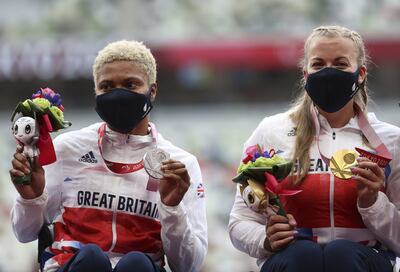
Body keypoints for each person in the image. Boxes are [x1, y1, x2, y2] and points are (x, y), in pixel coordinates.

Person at [10, 40, 207, 272]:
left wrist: (172, 208)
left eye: (130, 84)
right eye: (107, 87)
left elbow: (188, 266)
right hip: (75, 265)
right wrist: (30, 199)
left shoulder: (180, 165)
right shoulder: (67, 148)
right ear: (96, 92)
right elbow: (24, 233)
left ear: (152, 91)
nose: (117, 95)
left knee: (137, 264)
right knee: (92, 258)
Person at [228, 25, 400, 272]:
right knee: (302, 254)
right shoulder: (271, 132)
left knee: (340, 253)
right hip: (295, 260)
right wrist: (265, 239)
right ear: (306, 73)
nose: (328, 72)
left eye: (340, 64)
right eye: (318, 64)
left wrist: (374, 203)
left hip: (364, 260)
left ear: (361, 73)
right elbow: (240, 222)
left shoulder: (392, 141)